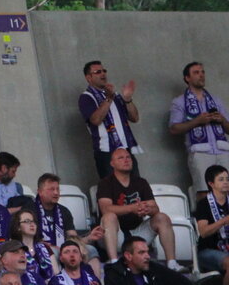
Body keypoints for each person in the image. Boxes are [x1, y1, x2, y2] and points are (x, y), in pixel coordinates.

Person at [95, 149, 178, 268]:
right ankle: (114, 263)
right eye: (121, 158)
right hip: (114, 234)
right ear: (112, 163)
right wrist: (132, 208)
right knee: (109, 217)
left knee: (162, 217)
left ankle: (172, 263)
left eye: (128, 157)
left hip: (137, 233)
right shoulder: (105, 182)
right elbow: (105, 209)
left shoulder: (141, 182)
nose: (126, 160)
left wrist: (147, 209)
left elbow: (155, 208)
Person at [169, 63, 229, 193]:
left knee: (227, 189)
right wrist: (197, 121)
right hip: (201, 152)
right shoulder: (179, 102)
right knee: (203, 190)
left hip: (223, 151)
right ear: (187, 78)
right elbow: (174, 128)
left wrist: (222, 120)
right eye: (196, 72)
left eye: (202, 72)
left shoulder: (216, 100)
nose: (201, 75)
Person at [79, 63, 141, 180]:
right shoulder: (86, 97)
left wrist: (128, 99)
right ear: (88, 78)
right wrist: (108, 99)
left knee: (135, 186)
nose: (103, 74)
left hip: (125, 150)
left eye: (104, 71)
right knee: (112, 188)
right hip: (106, 151)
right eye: (98, 72)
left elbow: (134, 118)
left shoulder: (115, 95)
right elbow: (95, 120)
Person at [22, 175, 102, 259]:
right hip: (39, 250)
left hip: (63, 249)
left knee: (91, 250)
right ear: (40, 192)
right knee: (54, 252)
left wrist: (89, 238)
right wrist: (48, 246)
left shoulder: (64, 211)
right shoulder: (29, 210)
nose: (56, 193)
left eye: (58, 189)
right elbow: (26, 238)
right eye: (51, 189)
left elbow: (73, 238)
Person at [101, 237, 190, 285]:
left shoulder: (154, 268)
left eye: (147, 252)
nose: (147, 256)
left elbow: (183, 282)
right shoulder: (114, 274)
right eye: (141, 252)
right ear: (128, 256)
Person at [194, 164, 229, 284]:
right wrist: (224, 221)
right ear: (211, 183)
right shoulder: (203, 204)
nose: (226, 182)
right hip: (208, 250)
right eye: (221, 179)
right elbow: (203, 232)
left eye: (227, 179)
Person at [8, 212, 56, 283]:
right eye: (27, 221)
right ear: (18, 227)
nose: (32, 224)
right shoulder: (13, 249)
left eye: (34, 221)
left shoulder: (45, 248)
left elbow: (56, 274)